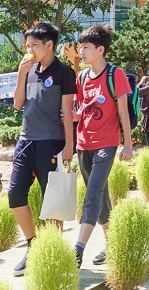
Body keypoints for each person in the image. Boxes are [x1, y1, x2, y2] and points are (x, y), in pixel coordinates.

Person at [9, 21, 76, 276]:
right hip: (26, 140)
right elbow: (17, 105)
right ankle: (33, 245)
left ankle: (54, 253)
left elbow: (68, 112)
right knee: (15, 195)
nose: (30, 49)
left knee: (53, 202)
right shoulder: (30, 70)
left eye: (34, 45)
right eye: (28, 45)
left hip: (51, 142)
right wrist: (21, 74)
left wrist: (69, 145)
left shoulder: (63, 72)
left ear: (49, 45)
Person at [73, 24, 133, 267]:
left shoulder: (114, 74)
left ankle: (78, 248)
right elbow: (76, 111)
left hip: (107, 143)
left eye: (85, 48)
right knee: (100, 196)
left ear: (100, 50)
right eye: (80, 47)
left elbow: (124, 113)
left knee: (92, 194)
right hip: (82, 143)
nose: (81, 52)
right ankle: (114, 244)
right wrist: (75, 115)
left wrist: (128, 145)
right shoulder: (81, 78)